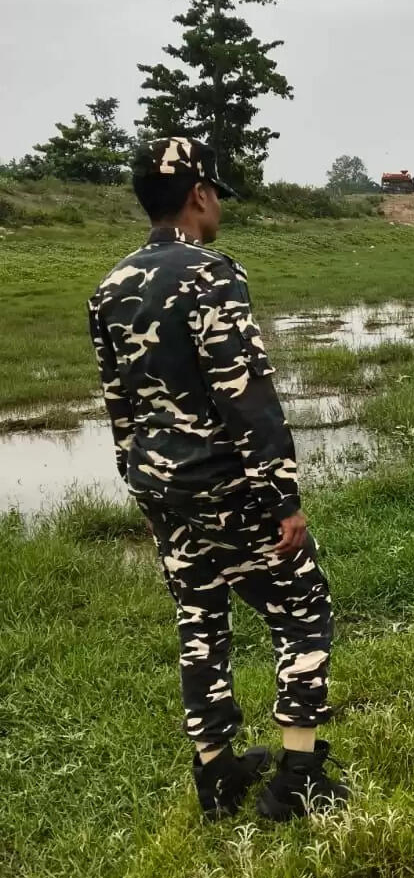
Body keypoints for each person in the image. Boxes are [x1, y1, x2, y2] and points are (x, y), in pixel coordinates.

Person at [87, 136, 346, 822]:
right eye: (215, 196)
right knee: (303, 611)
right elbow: (247, 396)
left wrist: (140, 487)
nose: (217, 209)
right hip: (225, 487)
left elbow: (120, 405)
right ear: (199, 193)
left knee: (199, 618)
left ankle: (218, 774)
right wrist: (283, 497)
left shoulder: (109, 287)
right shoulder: (210, 273)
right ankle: (297, 780)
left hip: (161, 487)